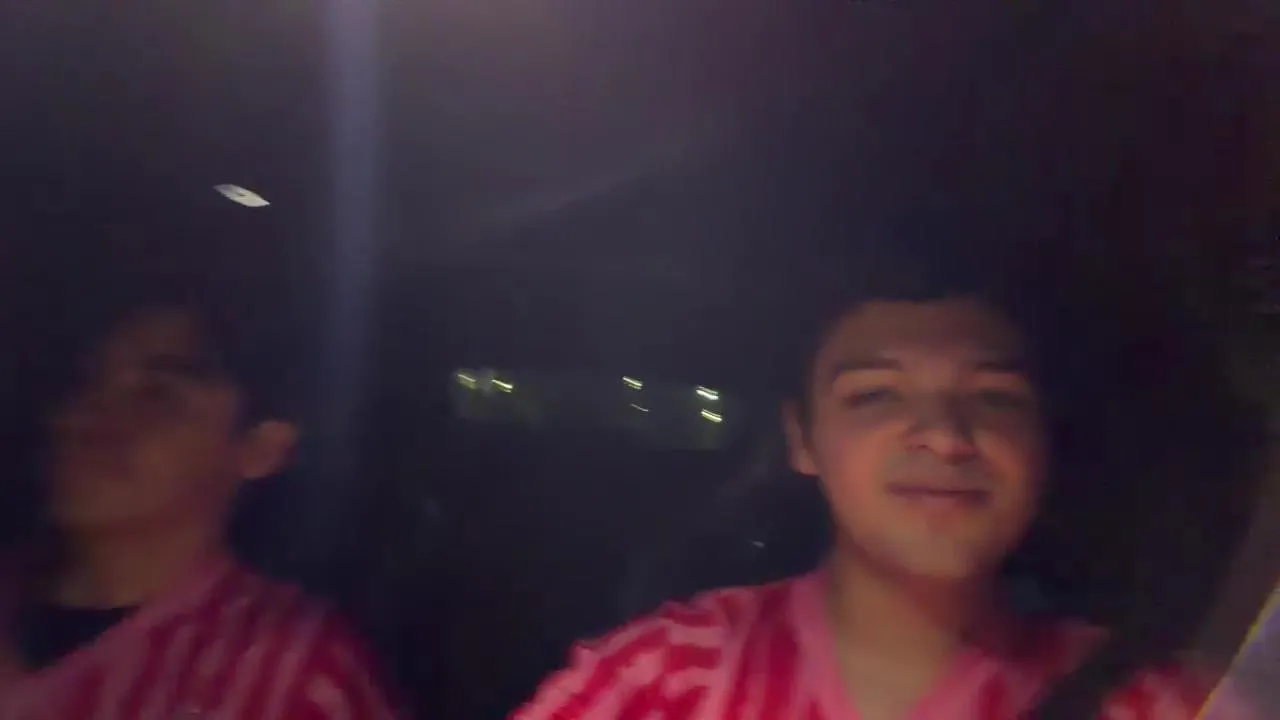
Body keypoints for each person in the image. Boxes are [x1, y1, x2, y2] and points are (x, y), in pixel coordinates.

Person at [512, 239, 1215, 719]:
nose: (945, 436)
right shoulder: (669, 680)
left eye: (994, 397)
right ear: (803, 440)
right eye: (876, 395)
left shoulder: (1150, 702)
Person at [0, 281, 403, 719]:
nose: (89, 418)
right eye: (86, 383)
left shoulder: (295, 677)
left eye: (157, 396)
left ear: (260, 449)